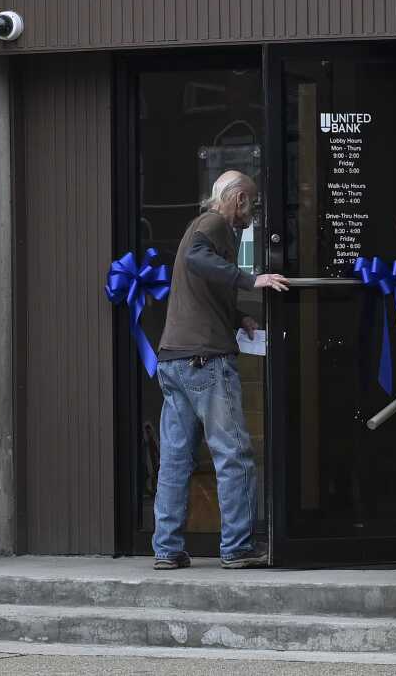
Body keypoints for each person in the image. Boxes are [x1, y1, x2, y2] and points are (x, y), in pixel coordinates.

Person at [152, 170, 289, 570]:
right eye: (253, 203)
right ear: (239, 200)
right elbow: (198, 258)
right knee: (234, 455)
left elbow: (201, 287)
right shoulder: (212, 223)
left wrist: (237, 316)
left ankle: (167, 548)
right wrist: (252, 279)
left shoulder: (204, 227)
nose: (254, 213)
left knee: (176, 459)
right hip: (205, 360)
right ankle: (237, 548)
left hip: (174, 359)